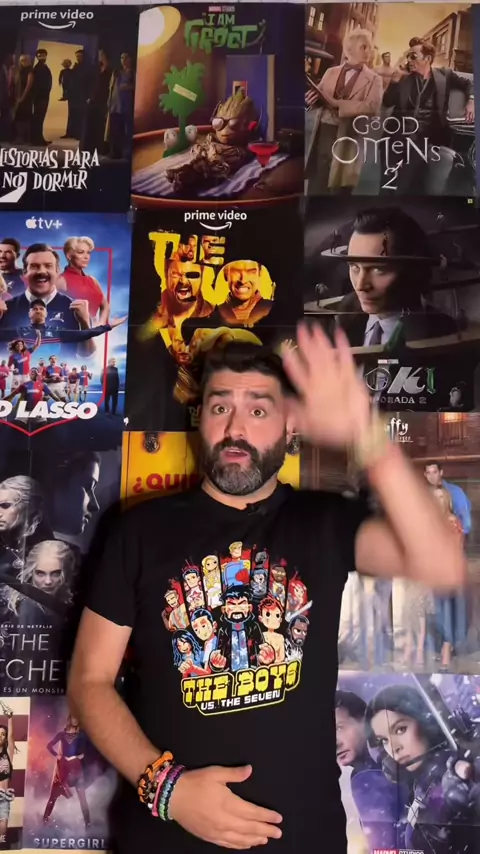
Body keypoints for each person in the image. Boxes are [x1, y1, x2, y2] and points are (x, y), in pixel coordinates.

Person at [68, 325, 465, 854]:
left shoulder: (323, 522)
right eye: (220, 407)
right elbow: (89, 681)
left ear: (289, 424)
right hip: (164, 840)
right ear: (200, 416)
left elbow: (440, 562)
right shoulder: (139, 530)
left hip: (303, 840)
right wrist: (169, 791)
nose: (235, 428)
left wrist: (366, 434)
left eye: (258, 409)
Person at [322, 207, 457, 348]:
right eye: (355, 266)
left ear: (412, 271)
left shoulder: (446, 336)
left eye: (378, 269)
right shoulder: (345, 315)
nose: (360, 285)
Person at [382, 37, 474, 194]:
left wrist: (471, 101)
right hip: (397, 137)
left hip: (425, 140)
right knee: (387, 185)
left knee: (410, 184)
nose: (409, 60)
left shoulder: (444, 76)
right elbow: (387, 102)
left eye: (413, 56)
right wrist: (394, 82)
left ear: (428, 59)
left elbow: (470, 83)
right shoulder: (404, 77)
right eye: (408, 56)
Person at [305, 29, 383, 194]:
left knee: (341, 183)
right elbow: (319, 95)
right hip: (325, 129)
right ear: (349, 49)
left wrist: (338, 104)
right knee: (319, 179)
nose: (369, 51)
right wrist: (312, 100)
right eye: (364, 47)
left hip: (350, 135)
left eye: (370, 47)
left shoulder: (375, 79)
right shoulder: (331, 72)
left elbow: (372, 107)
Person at [335, 690, 402, 850]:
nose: (335, 742)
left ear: (364, 721)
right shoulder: (393, 759)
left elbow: (384, 849)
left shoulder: (365, 776)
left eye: (339, 728)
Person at [30, 49, 52, 146]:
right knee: (38, 119)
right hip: (40, 98)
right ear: (37, 57)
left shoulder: (44, 67)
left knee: (40, 119)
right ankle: (36, 140)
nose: (42, 57)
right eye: (40, 56)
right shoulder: (37, 69)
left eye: (44, 55)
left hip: (44, 97)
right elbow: (36, 85)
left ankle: (39, 138)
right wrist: (37, 97)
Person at [0, 701, 15, 844]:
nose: (0, 736)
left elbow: (11, 738)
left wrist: (10, 719)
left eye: (3, 734)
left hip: (4, 797)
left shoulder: (8, 755)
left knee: (2, 834)